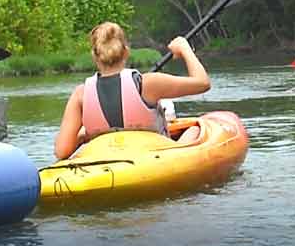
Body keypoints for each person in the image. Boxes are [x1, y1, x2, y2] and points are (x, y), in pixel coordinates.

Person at [54, 22, 210, 160]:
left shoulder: (80, 94)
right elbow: (203, 83)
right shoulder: (148, 83)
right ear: (126, 52)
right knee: (194, 130)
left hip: (105, 160)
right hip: (153, 158)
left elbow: (62, 152)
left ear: (94, 56)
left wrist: (84, 135)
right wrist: (185, 48)